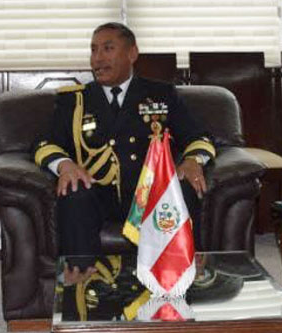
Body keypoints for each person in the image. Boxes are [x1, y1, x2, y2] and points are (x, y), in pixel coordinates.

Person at [35, 22, 216, 257]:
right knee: (73, 192)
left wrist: (193, 161)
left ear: (132, 53)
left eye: (108, 48)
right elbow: (45, 143)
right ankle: (79, 275)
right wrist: (64, 165)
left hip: (150, 192)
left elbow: (199, 137)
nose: (98, 58)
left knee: (181, 187)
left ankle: (178, 274)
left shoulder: (161, 94)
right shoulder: (75, 100)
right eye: (93, 50)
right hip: (96, 192)